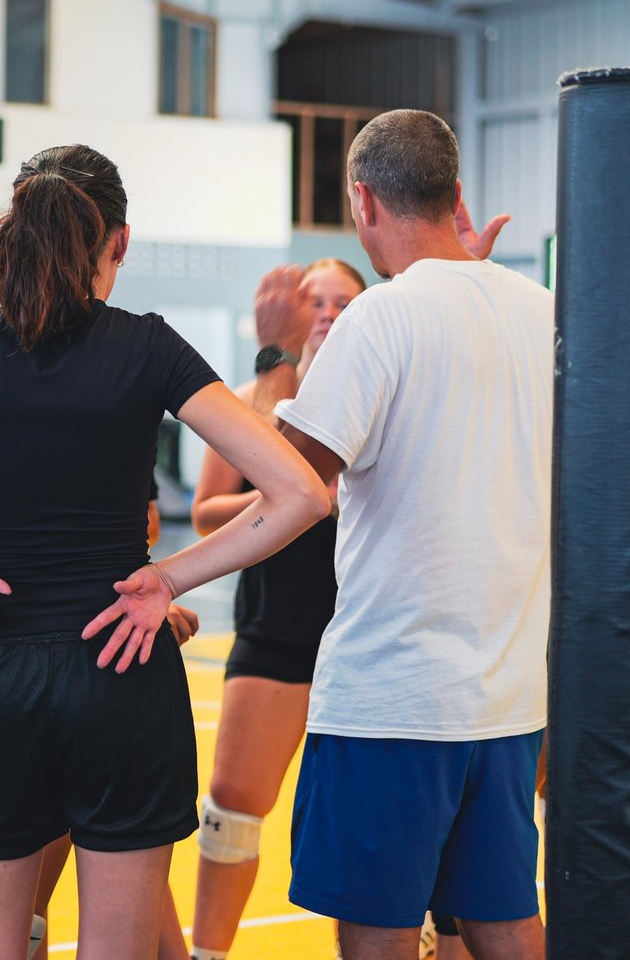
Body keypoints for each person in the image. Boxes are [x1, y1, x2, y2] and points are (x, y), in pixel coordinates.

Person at [0, 144, 329, 960]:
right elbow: (301, 493)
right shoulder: (149, 346)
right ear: (116, 243)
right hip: (121, 670)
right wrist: (166, 578)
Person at [268, 110, 550, 960]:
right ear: (456, 193)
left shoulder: (378, 319)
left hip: (393, 699)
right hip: (508, 698)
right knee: (504, 919)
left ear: (362, 201)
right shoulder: (544, 310)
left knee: (380, 934)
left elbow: (290, 481)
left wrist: (280, 360)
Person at [0, 438, 184, 959]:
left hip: (38, 665)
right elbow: (298, 494)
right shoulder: (131, 376)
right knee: (40, 910)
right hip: (87, 665)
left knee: (43, 910)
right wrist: (162, 585)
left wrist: (152, 586)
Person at [186, 258, 363, 960]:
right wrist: (308, 500)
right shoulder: (249, 398)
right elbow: (205, 512)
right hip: (277, 626)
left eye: (340, 300)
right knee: (232, 807)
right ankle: (209, 953)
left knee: (366, 815)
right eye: (310, 299)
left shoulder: (382, 396)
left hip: (364, 628)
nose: (322, 311)